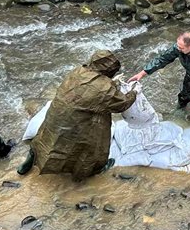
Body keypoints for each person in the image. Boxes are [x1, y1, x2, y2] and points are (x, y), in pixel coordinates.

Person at [17, 50, 137, 180]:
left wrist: (112, 84)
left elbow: (88, 90)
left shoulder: (78, 71)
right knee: (93, 143)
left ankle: (31, 158)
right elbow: (121, 104)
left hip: (56, 115)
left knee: (45, 138)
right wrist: (134, 92)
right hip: (76, 124)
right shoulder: (105, 88)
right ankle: (93, 168)